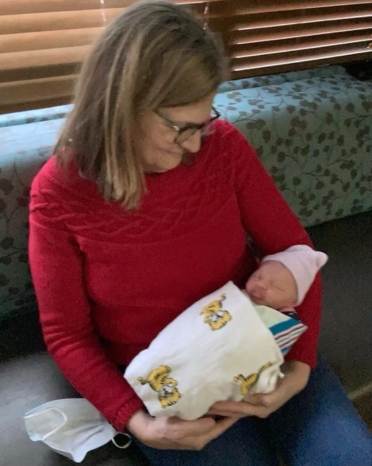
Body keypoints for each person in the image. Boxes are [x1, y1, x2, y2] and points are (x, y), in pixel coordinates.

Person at [28, 1, 372, 465]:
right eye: (180, 128)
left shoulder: (221, 146)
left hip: (264, 351)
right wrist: (136, 420)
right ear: (122, 103)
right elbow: (67, 335)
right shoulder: (59, 193)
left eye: (204, 122)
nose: (195, 144)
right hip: (175, 390)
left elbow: (296, 253)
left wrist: (300, 368)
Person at [245, 244, 329, 319]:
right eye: (257, 277)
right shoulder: (241, 293)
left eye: (276, 286)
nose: (261, 285)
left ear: (292, 301)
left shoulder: (285, 318)